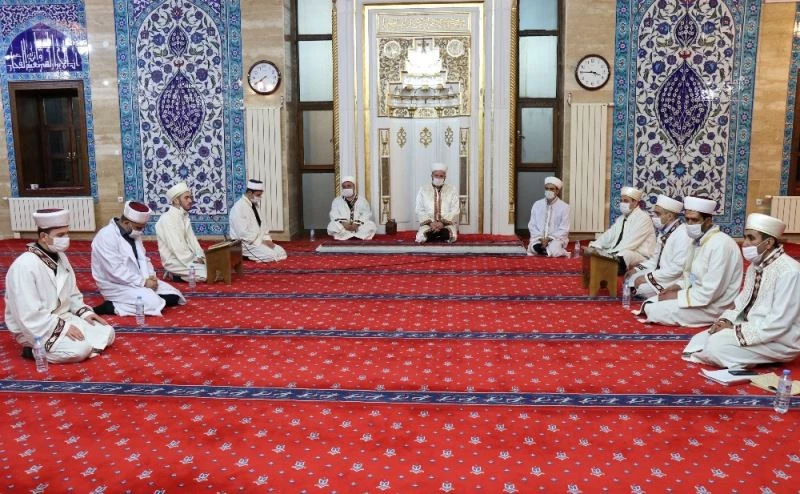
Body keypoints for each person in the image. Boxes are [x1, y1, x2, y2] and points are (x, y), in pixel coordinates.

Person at [682, 213, 800, 368]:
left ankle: (747, 358)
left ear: (769, 242)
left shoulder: (790, 272)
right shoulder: (755, 266)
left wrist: (735, 329)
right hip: (750, 327)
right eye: (745, 237)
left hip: (780, 340)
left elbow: (778, 323)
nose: (745, 244)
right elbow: (742, 302)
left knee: (717, 346)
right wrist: (726, 321)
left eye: (751, 238)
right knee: (702, 339)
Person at [4, 208, 115, 363]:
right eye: (60, 235)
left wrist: (84, 313)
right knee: (79, 350)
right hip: (36, 326)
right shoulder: (24, 266)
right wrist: (62, 328)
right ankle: (32, 350)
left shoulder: (60, 256)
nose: (66, 239)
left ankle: (71, 342)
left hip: (63, 317)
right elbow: (28, 313)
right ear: (44, 237)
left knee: (107, 332)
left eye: (67, 234)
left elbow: (72, 292)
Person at [638, 196, 743, 327]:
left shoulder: (720, 245)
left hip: (714, 305)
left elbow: (711, 291)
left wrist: (678, 295)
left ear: (708, 221)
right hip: (696, 296)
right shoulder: (698, 241)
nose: (690, 224)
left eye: (695, 220)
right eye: (687, 219)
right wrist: (678, 286)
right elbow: (693, 277)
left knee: (654, 309)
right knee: (651, 302)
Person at [92, 201, 186, 316]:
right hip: (116, 284)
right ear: (126, 223)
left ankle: (143, 297)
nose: (141, 231)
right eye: (139, 228)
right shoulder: (106, 236)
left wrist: (151, 277)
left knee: (174, 295)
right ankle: (110, 306)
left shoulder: (133, 233)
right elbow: (115, 271)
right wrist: (143, 282)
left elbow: (143, 259)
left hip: (139, 279)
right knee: (154, 303)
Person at [627, 194, 690, 298]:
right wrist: (636, 270)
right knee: (632, 279)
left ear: (669, 216)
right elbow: (654, 260)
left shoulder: (682, 234)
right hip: (660, 273)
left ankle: (670, 294)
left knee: (641, 288)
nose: (654, 217)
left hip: (673, 278)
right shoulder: (664, 232)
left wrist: (646, 278)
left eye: (658, 214)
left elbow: (677, 269)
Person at [587, 186, 656, 275]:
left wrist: (609, 254)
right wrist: (596, 245)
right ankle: (605, 266)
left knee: (625, 254)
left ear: (635, 202)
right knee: (601, 249)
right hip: (619, 250)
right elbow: (609, 235)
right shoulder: (621, 218)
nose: (622, 203)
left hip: (639, 255)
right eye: (621, 201)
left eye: (626, 201)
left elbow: (631, 242)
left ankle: (611, 269)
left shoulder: (643, 218)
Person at [155, 182, 207, 281]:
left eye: (190, 197)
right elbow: (177, 247)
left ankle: (180, 274)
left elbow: (193, 241)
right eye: (186, 198)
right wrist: (195, 260)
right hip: (174, 262)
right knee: (208, 274)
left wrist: (201, 256)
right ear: (176, 200)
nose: (190, 200)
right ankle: (175, 274)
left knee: (215, 268)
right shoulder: (167, 219)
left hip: (189, 259)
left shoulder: (184, 217)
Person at [229, 179, 288, 261]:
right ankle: (245, 255)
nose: (260, 197)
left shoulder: (255, 205)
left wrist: (267, 240)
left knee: (281, 252)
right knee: (272, 255)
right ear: (250, 193)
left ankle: (258, 253)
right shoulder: (238, 208)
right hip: (246, 243)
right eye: (258, 195)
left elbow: (262, 226)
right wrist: (260, 242)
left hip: (259, 241)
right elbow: (242, 234)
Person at [415, 162, 460, 243]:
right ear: (432, 176)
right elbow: (419, 209)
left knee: (452, 236)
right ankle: (436, 234)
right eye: (436, 175)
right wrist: (431, 223)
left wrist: (442, 223)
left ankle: (435, 235)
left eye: (441, 176)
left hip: (446, 224)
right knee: (421, 237)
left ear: (445, 177)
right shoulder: (423, 189)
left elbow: (455, 210)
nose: (438, 178)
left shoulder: (452, 190)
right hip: (429, 224)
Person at [527, 176, 570, 257]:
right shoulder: (537, 204)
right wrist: (541, 238)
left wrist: (549, 238)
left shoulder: (564, 207)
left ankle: (548, 250)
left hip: (555, 239)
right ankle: (545, 250)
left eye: (551, 189)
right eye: (547, 189)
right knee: (533, 248)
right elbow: (532, 225)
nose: (548, 191)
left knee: (554, 251)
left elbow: (564, 228)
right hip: (539, 238)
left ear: (557, 191)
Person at [327, 175, 377, 240]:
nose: (346, 188)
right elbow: (334, 214)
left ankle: (353, 235)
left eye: (349, 186)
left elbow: (366, 213)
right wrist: (344, 223)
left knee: (371, 225)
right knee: (332, 225)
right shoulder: (337, 200)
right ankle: (350, 235)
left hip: (358, 227)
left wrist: (357, 224)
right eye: (344, 187)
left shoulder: (362, 200)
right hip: (343, 227)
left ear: (354, 186)